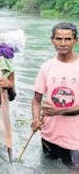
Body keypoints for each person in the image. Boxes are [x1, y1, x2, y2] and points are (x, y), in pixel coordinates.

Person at [31, 22, 79, 168]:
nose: (63, 43)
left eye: (68, 39)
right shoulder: (47, 67)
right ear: (52, 40)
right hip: (49, 136)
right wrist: (35, 119)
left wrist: (59, 111)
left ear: (76, 40)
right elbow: (36, 100)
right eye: (58, 39)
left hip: (75, 140)